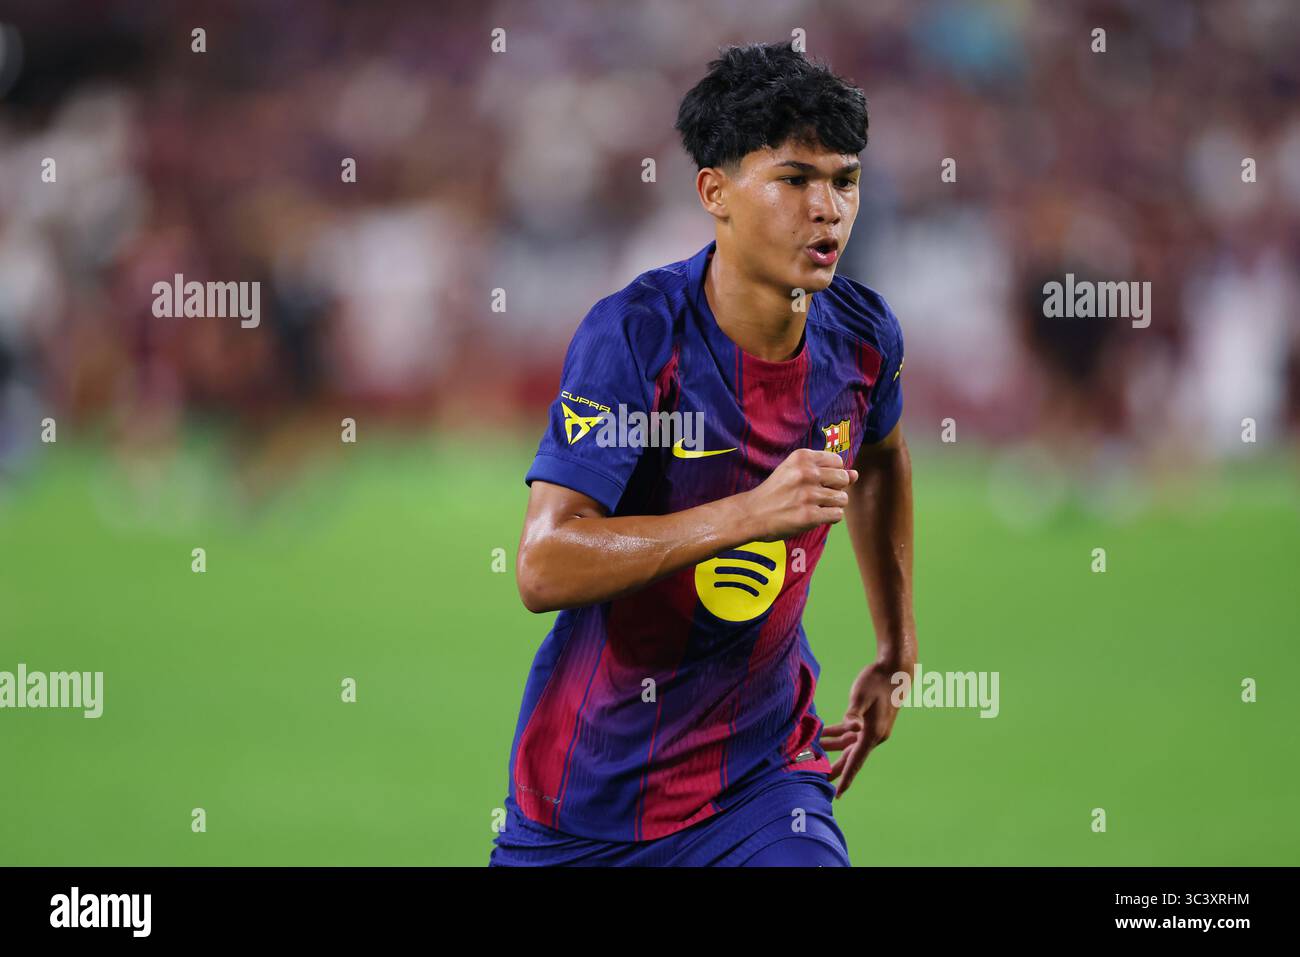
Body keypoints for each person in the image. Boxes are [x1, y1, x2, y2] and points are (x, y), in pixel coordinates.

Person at [490, 41, 916, 867]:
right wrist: (750, 513)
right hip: (588, 799)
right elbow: (544, 565)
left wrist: (896, 644)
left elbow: (884, 462)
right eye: (795, 180)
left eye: (844, 180)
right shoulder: (637, 338)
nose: (827, 208)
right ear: (714, 192)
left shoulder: (865, 338)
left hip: (764, 778)